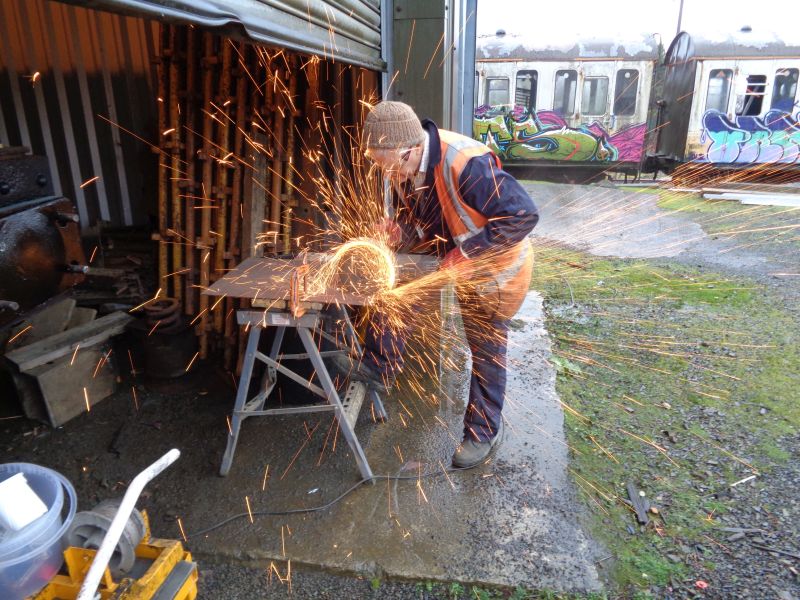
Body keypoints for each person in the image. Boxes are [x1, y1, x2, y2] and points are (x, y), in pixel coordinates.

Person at [337, 100, 539, 468]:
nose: (388, 175)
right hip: (449, 258)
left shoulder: (466, 163)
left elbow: (523, 215)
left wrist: (469, 253)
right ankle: (378, 366)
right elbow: (425, 219)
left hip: (496, 270)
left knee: (486, 352)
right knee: (394, 296)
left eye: (390, 166)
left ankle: (481, 434)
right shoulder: (404, 166)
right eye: (379, 166)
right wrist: (398, 231)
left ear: (411, 150)